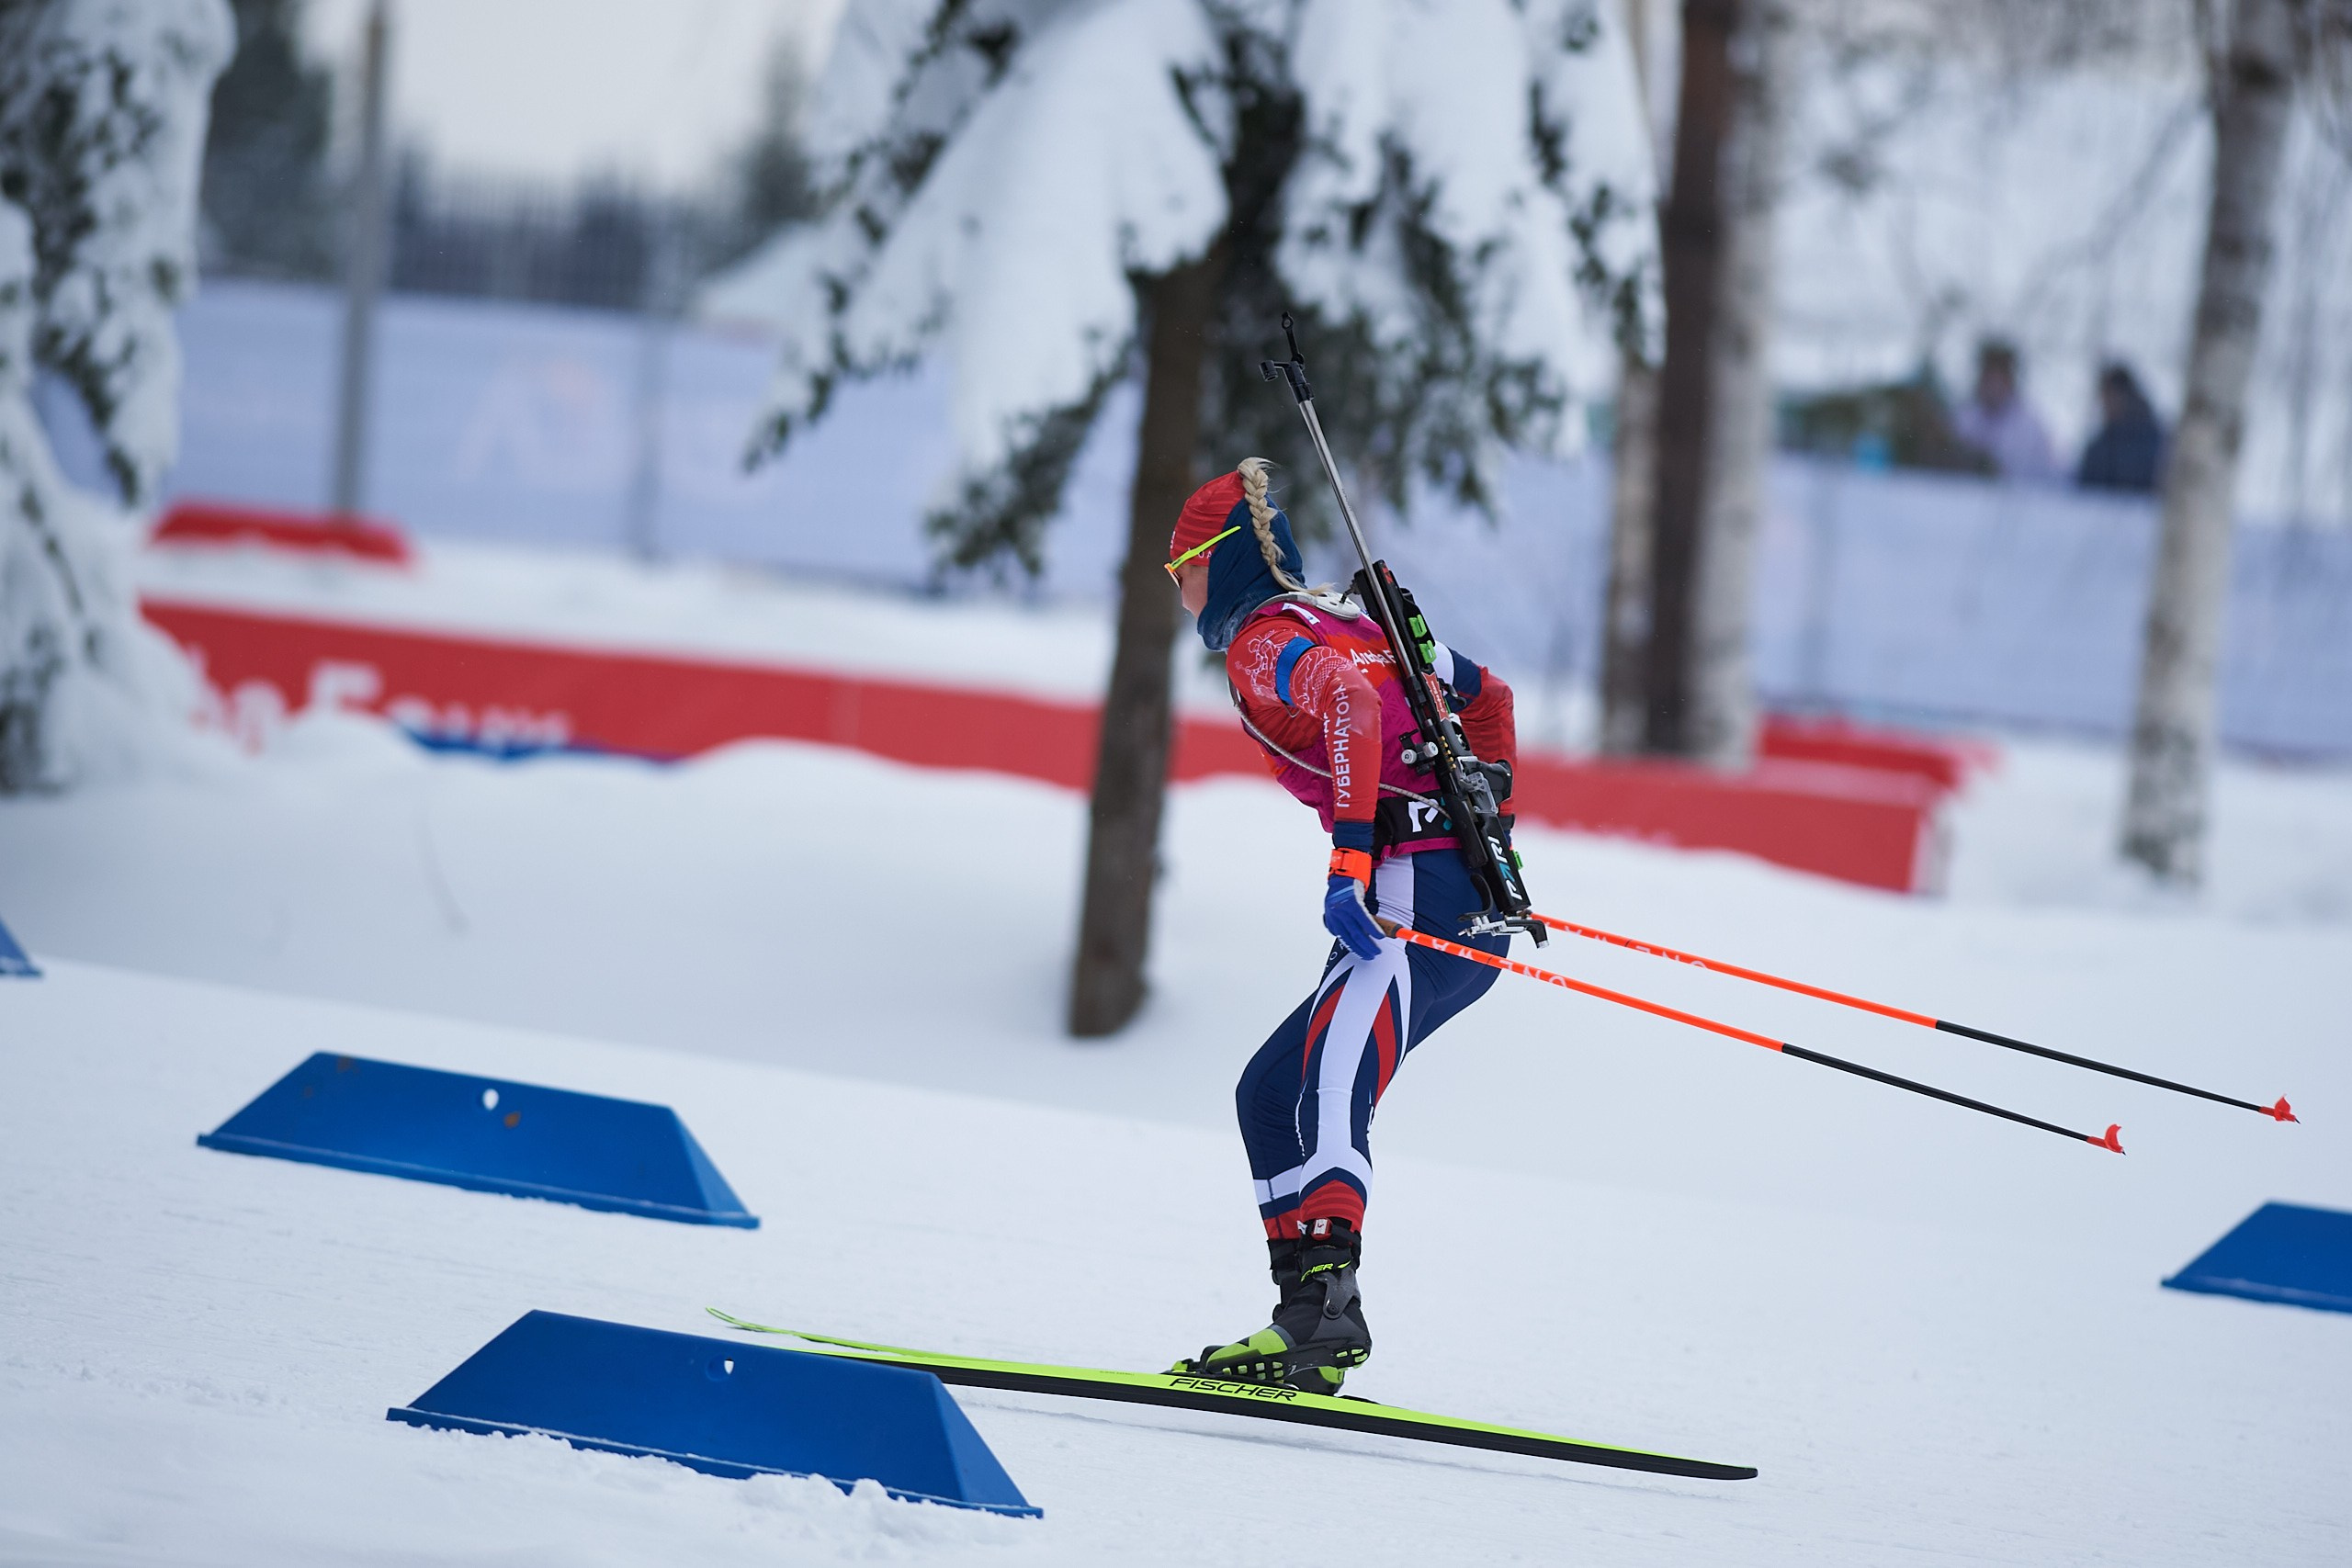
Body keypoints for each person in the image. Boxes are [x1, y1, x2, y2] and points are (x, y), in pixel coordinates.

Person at [1160, 457, 1518, 1393]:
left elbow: (1350, 705)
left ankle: (1327, 1311)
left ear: (1218, 561)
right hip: (1471, 904)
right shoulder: (1360, 622)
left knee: (1329, 1083)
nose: (1179, 589)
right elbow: (1490, 700)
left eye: (1180, 568)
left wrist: (1352, 857)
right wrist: (1493, 825)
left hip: (1405, 898)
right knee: (1269, 1092)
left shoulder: (1262, 641)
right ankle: (1303, 1317)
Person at [1951, 338, 2060, 482]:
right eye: (1988, 375)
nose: (1993, 384)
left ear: (2010, 379)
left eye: (1999, 377)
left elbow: (2044, 478)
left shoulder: (2031, 428)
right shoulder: (1962, 419)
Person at [2076, 361, 2166, 493]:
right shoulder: (2100, 446)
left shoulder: (2152, 441)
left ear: (2126, 395)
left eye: (2112, 396)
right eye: (2104, 397)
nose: (2106, 403)